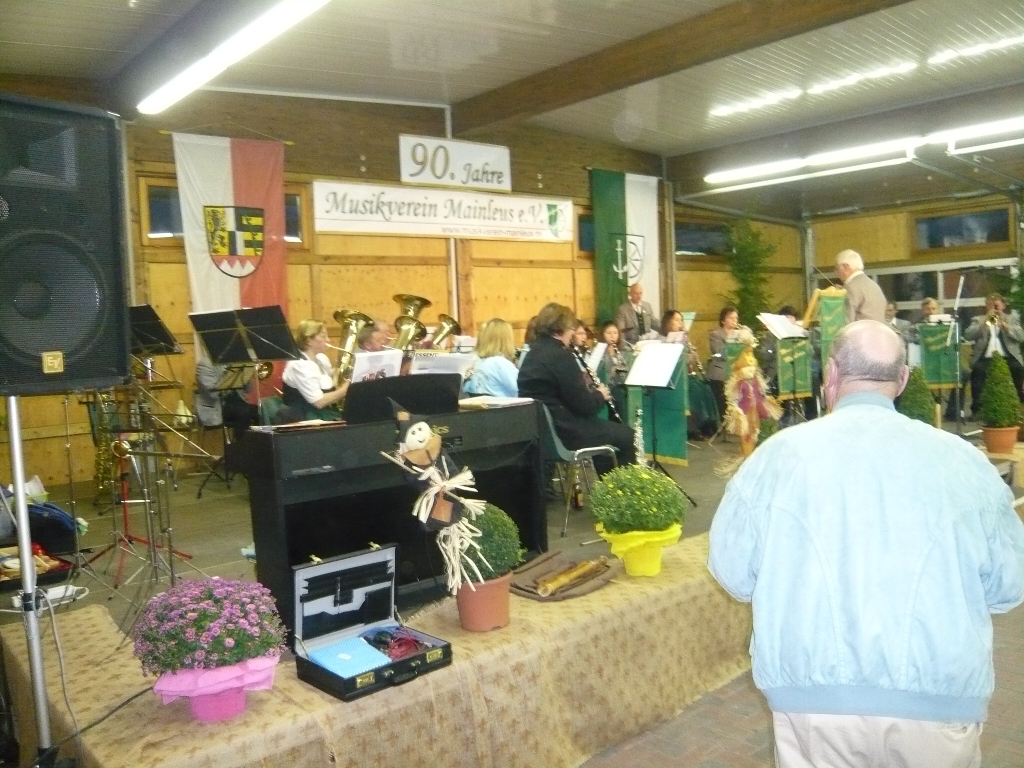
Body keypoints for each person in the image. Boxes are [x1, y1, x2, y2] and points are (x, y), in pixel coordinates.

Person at [709, 320, 1024, 768]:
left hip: (813, 707)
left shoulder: (775, 458)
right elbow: (1008, 586)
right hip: (939, 701)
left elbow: (734, 573)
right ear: (903, 379)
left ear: (831, 373)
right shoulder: (965, 462)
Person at [518, 302, 635, 473]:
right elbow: (585, 406)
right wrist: (600, 395)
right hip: (567, 432)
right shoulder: (561, 356)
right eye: (571, 328)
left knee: (608, 434)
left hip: (542, 433)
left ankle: (606, 485)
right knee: (629, 436)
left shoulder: (531, 354)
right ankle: (618, 488)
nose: (572, 333)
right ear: (561, 328)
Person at [965, 291, 1024, 414]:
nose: (993, 308)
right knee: (978, 371)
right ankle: (977, 410)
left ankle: (1018, 406)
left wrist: (1005, 325)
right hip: (985, 357)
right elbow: (968, 335)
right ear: (986, 307)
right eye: (990, 305)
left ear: (1003, 306)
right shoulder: (978, 319)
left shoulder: (1012, 319)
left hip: (1007, 356)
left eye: (996, 305)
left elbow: (1020, 336)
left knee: (1017, 369)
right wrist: (985, 323)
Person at [280, 319, 348, 421]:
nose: (328, 340)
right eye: (323, 336)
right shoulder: (299, 365)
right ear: (309, 340)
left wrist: (341, 372)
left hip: (323, 413)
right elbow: (318, 402)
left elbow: (326, 382)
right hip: (306, 417)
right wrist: (344, 390)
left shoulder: (320, 358)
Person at [463, 318, 520, 398]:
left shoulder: (473, 362)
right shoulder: (501, 364)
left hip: (479, 405)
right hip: (502, 405)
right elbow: (523, 388)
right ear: (506, 340)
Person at [706, 306, 740, 423]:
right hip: (720, 372)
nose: (734, 320)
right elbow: (719, 352)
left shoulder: (740, 334)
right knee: (722, 405)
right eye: (731, 318)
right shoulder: (715, 334)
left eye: (736, 318)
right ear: (723, 320)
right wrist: (734, 342)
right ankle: (723, 426)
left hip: (736, 372)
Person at [835, 249, 887, 323]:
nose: (836, 273)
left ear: (845, 267)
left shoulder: (850, 287)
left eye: (837, 269)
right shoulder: (874, 285)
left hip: (860, 329)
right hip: (878, 329)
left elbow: (846, 322)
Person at [598, 321, 631, 422]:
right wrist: (611, 372)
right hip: (606, 386)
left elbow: (628, 370)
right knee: (618, 393)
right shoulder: (600, 352)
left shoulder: (625, 351)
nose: (612, 336)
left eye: (615, 333)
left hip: (621, 387)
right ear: (603, 335)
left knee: (621, 393)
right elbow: (598, 372)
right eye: (608, 333)